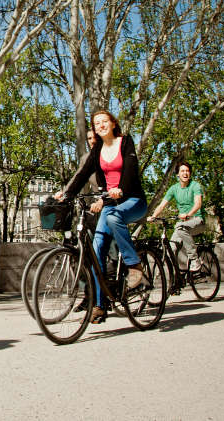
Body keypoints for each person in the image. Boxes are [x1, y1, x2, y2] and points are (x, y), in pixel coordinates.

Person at [54, 111, 147, 324]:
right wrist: (67, 194)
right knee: (96, 254)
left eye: (105, 121)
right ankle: (99, 305)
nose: (101, 125)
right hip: (110, 203)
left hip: (132, 200)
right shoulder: (97, 150)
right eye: (97, 123)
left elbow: (132, 170)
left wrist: (121, 189)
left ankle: (134, 265)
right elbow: (82, 174)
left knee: (114, 218)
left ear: (113, 123)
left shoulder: (125, 142)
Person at [147, 162, 205, 272]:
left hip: (197, 220)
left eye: (187, 171)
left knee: (181, 228)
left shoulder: (195, 186)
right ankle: (175, 281)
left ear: (190, 174)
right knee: (170, 248)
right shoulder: (174, 188)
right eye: (182, 171)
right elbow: (162, 205)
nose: (185, 173)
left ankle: (194, 259)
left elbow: (198, 204)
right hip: (182, 224)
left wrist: (188, 214)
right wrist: (153, 216)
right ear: (178, 174)